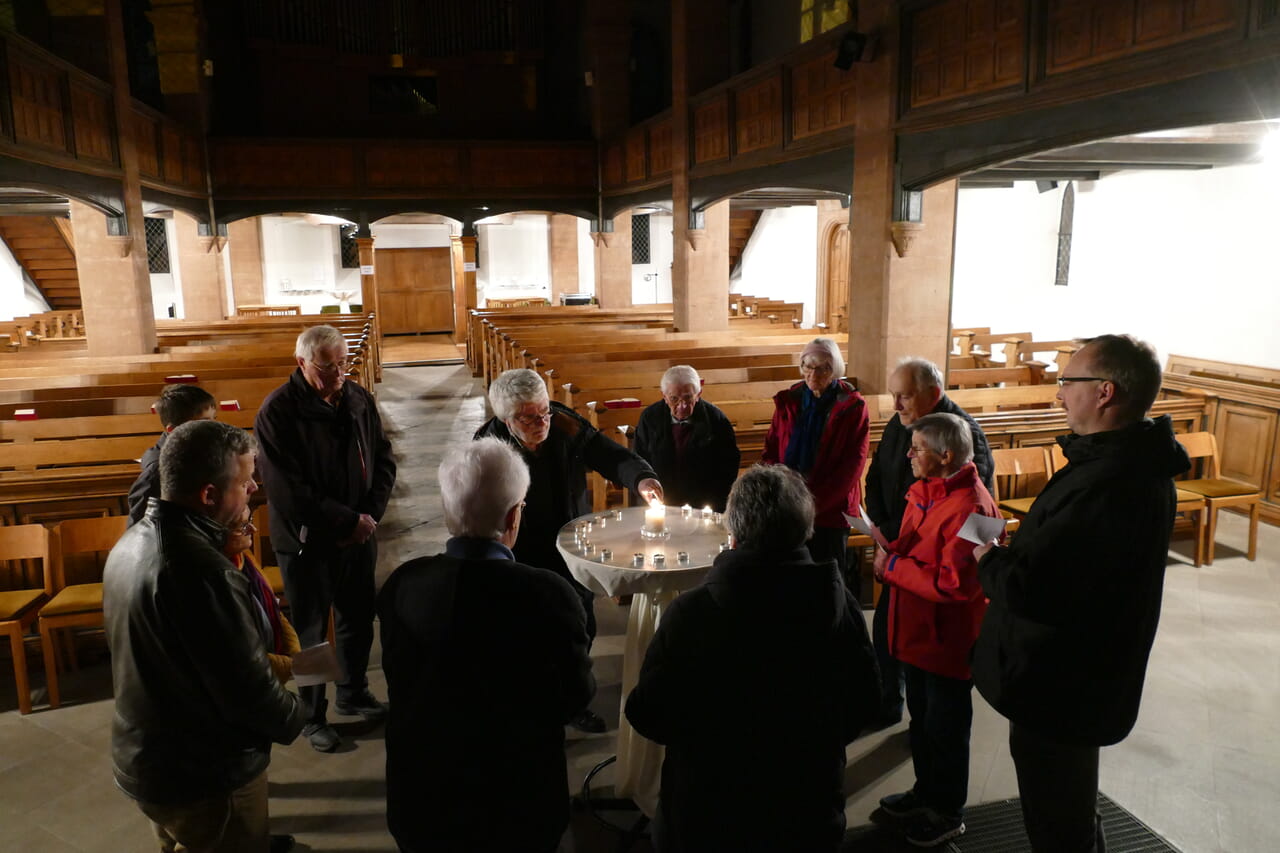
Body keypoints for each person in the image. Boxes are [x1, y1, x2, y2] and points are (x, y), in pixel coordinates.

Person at [972, 334, 1189, 853]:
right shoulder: (1127, 465)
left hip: (1060, 681)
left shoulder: (1108, 481)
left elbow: (1035, 590)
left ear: (1105, 392)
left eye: (1068, 382)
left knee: (1056, 817)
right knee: (1069, 802)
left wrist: (988, 558)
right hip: (1082, 675)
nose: (1058, 394)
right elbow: (1079, 569)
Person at [625, 464, 879, 852]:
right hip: (806, 809)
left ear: (734, 533)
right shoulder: (838, 603)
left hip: (710, 813)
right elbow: (863, 703)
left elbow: (649, 714)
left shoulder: (694, 613)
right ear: (804, 528)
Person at [378, 438, 596, 853]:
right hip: (517, 802)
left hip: (424, 795)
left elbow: (399, 681)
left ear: (446, 511)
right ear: (514, 517)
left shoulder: (403, 585)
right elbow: (574, 697)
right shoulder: (549, 594)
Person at [104, 419, 305, 853]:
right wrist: (296, 713)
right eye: (245, 479)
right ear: (209, 494)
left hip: (147, 754)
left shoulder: (132, 540)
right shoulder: (200, 572)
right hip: (202, 772)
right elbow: (245, 686)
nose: (254, 487)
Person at [475, 367, 660, 733]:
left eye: (544, 411)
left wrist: (642, 478)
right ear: (506, 419)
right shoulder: (488, 448)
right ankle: (533, 707)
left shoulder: (564, 424)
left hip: (570, 544)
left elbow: (610, 456)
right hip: (520, 551)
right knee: (526, 633)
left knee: (579, 625)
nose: (543, 421)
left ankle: (573, 703)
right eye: (530, 417)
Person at [254, 324, 397, 753]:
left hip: (360, 533)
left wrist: (369, 515)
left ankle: (353, 691)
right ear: (302, 363)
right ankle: (313, 715)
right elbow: (287, 489)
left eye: (342, 365)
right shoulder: (278, 412)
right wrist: (345, 520)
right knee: (311, 633)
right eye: (327, 367)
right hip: (307, 541)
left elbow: (383, 457)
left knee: (356, 617)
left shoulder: (356, 398)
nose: (338, 374)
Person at [872, 413, 1000, 848]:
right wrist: (890, 548)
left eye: (917, 449)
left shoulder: (977, 508)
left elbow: (956, 584)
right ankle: (924, 793)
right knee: (923, 724)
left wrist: (892, 567)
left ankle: (947, 812)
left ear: (945, 456)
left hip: (947, 641)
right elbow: (917, 549)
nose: (908, 455)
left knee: (946, 730)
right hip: (916, 634)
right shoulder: (925, 490)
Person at [865, 357, 994, 727]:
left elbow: (957, 570)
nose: (896, 405)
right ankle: (892, 703)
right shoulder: (900, 425)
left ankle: (936, 773)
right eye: (893, 395)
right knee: (892, 640)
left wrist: (891, 554)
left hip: (936, 601)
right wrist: (884, 533)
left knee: (943, 713)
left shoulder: (961, 436)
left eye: (903, 395)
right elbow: (878, 478)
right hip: (904, 560)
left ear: (933, 393)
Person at [761, 337, 870, 599]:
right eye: (808, 367)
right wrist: (775, 491)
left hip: (830, 510)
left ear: (835, 371)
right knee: (790, 579)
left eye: (822, 368)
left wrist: (811, 506)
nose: (813, 374)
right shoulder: (790, 399)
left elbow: (852, 466)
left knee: (826, 582)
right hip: (788, 504)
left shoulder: (852, 406)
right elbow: (772, 448)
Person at [633, 364, 740, 512]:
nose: (682, 406)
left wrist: (714, 503)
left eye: (688, 398)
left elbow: (728, 467)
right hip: (661, 499)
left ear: (698, 394)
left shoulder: (716, 420)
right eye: (674, 399)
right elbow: (640, 459)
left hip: (704, 502)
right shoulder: (650, 418)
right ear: (664, 396)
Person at [224, 507, 302, 686]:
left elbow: (274, 610)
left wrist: (294, 652)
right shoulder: (217, 577)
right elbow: (239, 656)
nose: (253, 529)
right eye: (243, 526)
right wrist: (293, 665)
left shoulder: (244, 557)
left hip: (270, 675)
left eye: (249, 520)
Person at [127, 383, 217, 525]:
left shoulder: (201, 452)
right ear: (173, 430)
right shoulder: (156, 473)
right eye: (204, 423)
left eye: (214, 420)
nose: (214, 429)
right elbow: (140, 530)